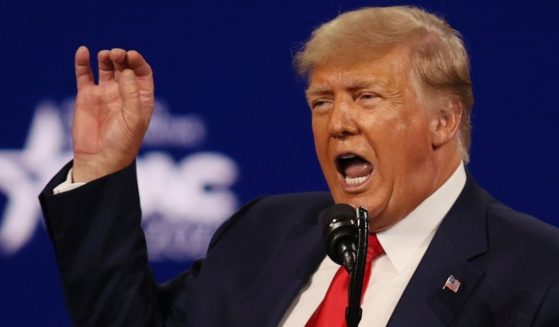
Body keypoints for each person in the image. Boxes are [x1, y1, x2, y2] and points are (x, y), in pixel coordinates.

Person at [39, 6, 559, 326]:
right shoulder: (263, 231)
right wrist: (102, 166)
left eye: (366, 96)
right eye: (321, 102)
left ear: (444, 120)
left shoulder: (537, 271)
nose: (339, 123)